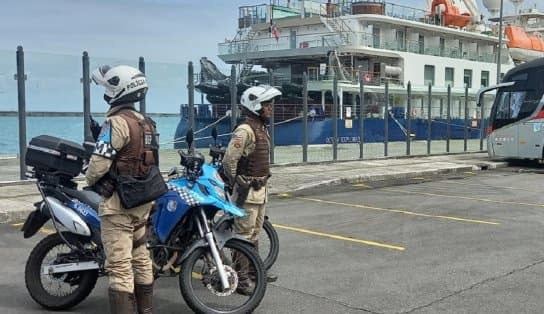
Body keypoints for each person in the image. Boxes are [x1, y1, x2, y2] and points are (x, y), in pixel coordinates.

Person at [86, 65, 158, 314]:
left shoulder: (115, 122)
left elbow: (98, 165)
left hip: (118, 206)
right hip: (142, 202)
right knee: (141, 259)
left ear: (119, 89)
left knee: (119, 268)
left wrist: (91, 178)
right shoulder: (146, 123)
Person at [222, 85, 281, 289]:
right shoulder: (245, 130)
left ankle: (255, 272)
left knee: (255, 233)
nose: (270, 109)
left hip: (260, 191)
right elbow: (230, 160)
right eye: (266, 105)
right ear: (255, 106)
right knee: (242, 235)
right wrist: (236, 182)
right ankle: (241, 278)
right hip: (246, 193)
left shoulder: (260, 128)